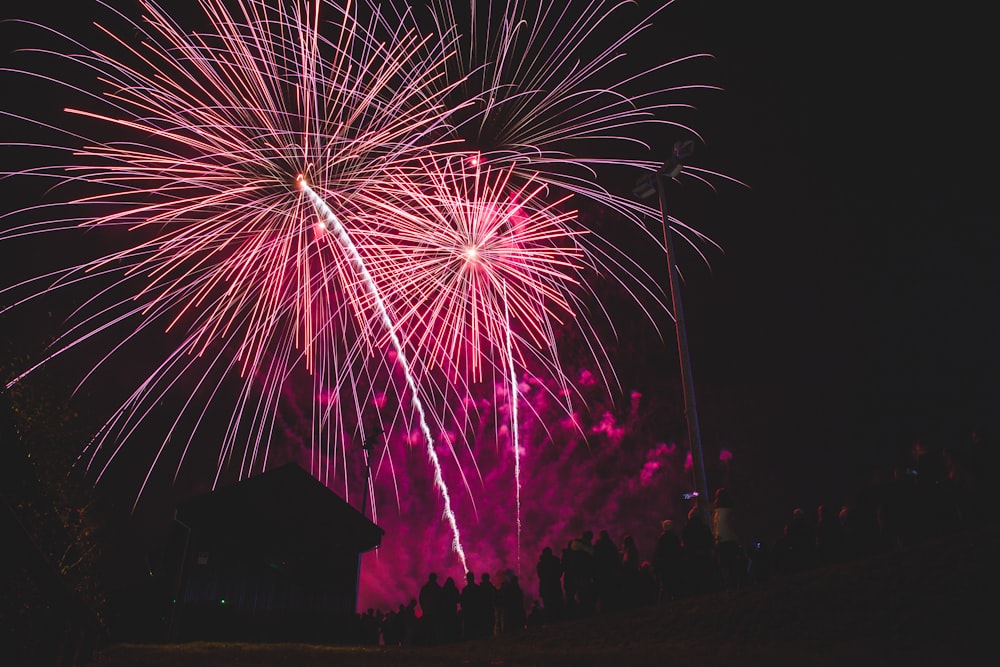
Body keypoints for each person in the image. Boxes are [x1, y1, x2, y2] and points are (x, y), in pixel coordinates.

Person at [712, 488, 742, 590]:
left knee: (725, 565)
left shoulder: (718, 513)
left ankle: (729, 586)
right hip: (730, 540)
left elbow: (717, 527)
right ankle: (735, 584)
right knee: (733, 563)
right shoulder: (729, 511)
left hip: (721, 540)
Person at [652, 519, 683, 603]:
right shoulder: (675, 538)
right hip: (674, 566)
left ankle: (663, 604)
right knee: (675, 585)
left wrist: (656, 568)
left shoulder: (661, 540)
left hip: (665, 568)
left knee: (665, 588)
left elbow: (658, 554)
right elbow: (679, 552)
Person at [536, 547, 564, 623]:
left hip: (545, 587)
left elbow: (540, 575)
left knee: (547, 605)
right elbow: (560, 573)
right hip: (555, 586)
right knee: (556, 603)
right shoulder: (556, 561)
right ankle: (557, 619)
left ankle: (549, 620)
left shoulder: (540, 564)